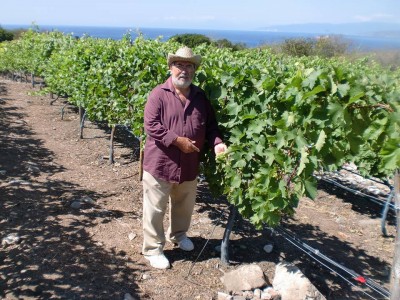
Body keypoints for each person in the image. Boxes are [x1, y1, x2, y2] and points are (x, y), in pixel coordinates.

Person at [141, 46, 227, 269]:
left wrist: (217, 143)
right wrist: (177, 140)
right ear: (171, 68)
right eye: (179, 65)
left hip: (189, 166)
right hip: (160, 164)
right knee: (155, 209)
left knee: (184, 206)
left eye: (189, 66)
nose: (184, 70)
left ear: (194, 70)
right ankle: (152, 249)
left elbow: (211, 127)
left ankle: (178, 235)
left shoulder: (200, 97)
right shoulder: (158, 94)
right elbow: (151, 126)